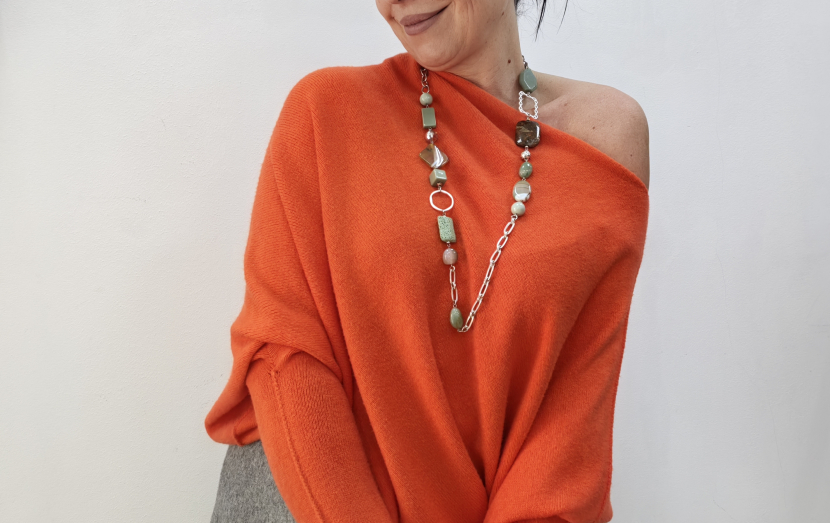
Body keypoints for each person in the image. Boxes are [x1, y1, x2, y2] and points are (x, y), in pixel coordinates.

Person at [206, 0, 650, 521]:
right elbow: (286, 352)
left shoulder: (604, 136)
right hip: (308, 500)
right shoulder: (327, 111)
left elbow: (574, 405)